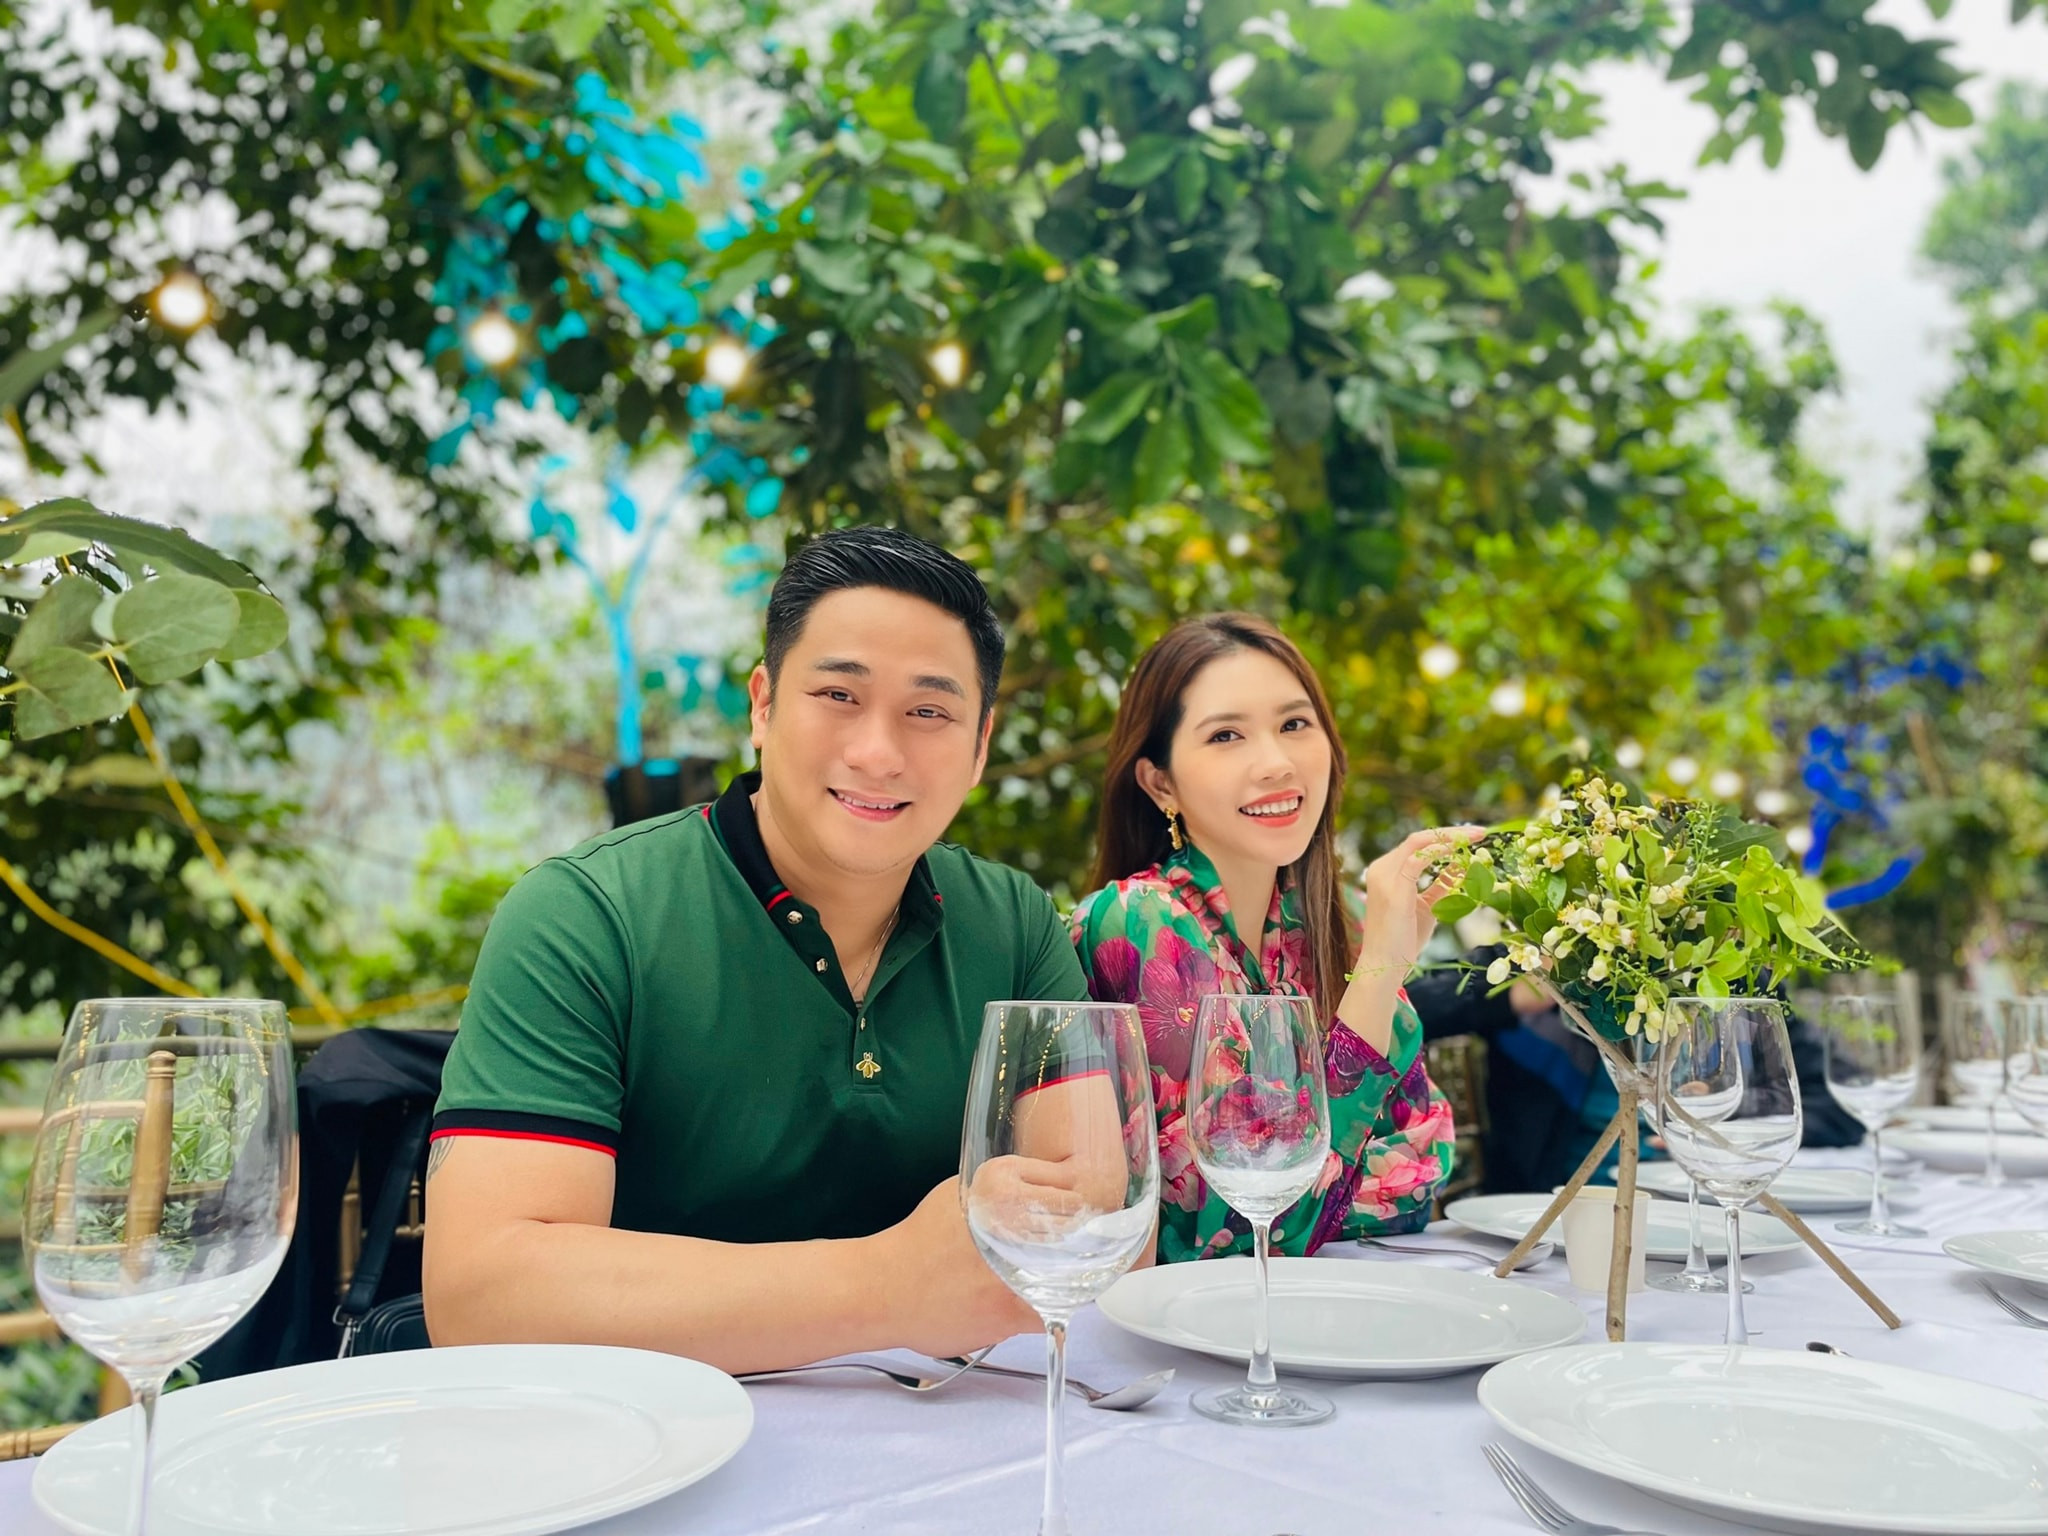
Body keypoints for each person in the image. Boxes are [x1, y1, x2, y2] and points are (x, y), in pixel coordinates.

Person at [423, 526, 1099, 1374]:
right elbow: (482, 1294)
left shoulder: (1016, 925)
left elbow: (1095, 1222)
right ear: (763, 706)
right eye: (838, 694)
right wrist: (886, 1286)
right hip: (651, 1433)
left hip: (947, 1433)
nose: (878, 753)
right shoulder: (586, 916)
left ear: (980, 746)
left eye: (929, 712)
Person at [1069, 613, 1481, 1261]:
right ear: (1160, 782)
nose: (1276, 763)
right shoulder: (1137, 920)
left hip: (1357, 1297)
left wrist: (1312, 1174)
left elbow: (1422, 1169)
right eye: (1226, 735)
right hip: (1203, 1315)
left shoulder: (1339, 919)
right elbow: (1226, 1228)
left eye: (1294, 724)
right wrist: (1380, 967)